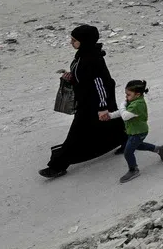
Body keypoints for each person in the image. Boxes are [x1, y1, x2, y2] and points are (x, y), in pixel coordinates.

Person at [39, 25, 126, 179]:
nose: (71, 42)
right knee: (110, 123)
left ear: (84, 41)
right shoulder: (83, 54)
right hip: (88, 99)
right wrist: (72, 77)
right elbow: (84, 77)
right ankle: (126, 140)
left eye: (74, 40)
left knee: (76, 133)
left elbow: (99, 84)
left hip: (96, 102)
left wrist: (102, 107)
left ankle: (57, 166)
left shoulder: (92, 59)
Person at [100, 79, 163, 183]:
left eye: (128, 94)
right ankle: (159, 149)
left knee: (128, 152)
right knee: (138, 145)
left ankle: (133, 169)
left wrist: (122, 105)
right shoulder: (133, 101)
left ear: (137, 94)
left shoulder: (137, 105)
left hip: (138, 132)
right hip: (135, 131)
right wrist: (111, 115)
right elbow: (122, 112)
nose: (126, 97)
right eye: (126, 94)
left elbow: (125, 115)